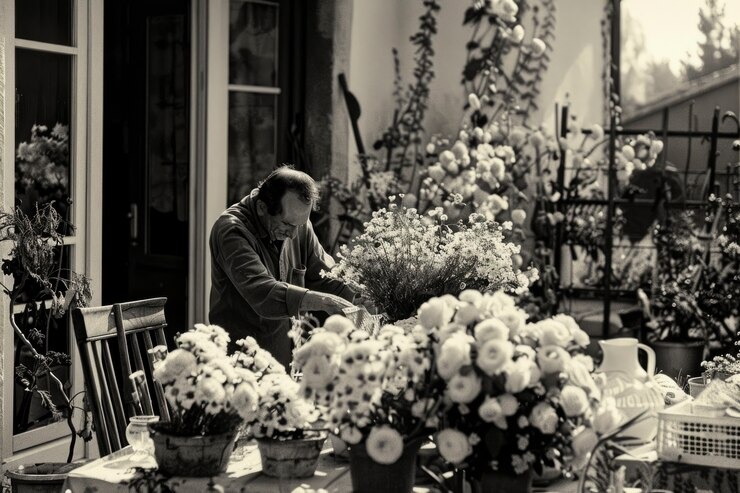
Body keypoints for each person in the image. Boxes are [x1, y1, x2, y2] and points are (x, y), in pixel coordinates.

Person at [209, 166, 355, 366]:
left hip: (286, 356)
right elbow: (262, 291)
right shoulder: (231, 231)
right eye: (287, 225)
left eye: (299, 226)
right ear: (262, 208)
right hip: (240, 362)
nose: (293, 235)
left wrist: (362, 292)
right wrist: (322, 301)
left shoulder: (298, 225)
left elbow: (328, 275)